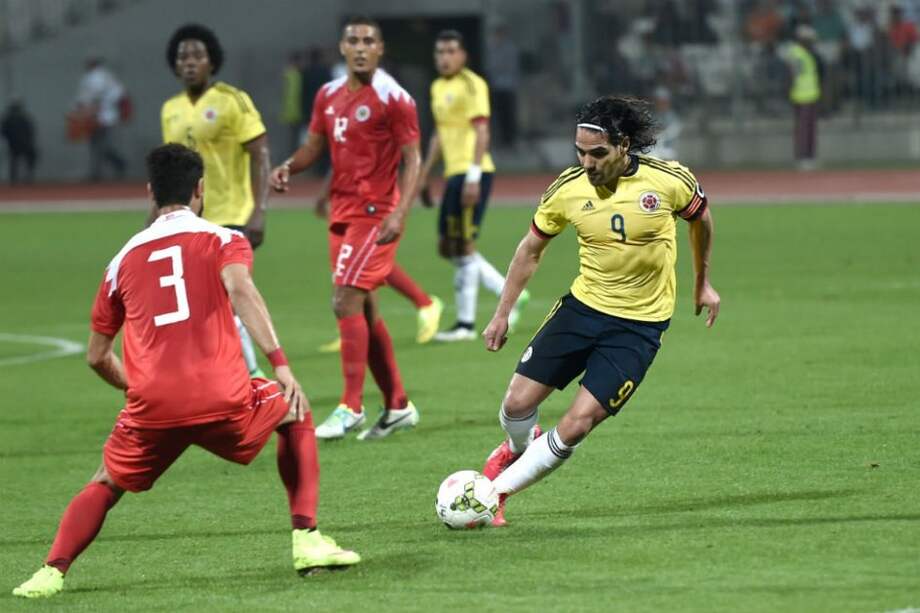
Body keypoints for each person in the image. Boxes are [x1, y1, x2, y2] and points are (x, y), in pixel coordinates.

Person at [11, 144, 359, 599]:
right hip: (224, 396)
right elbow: (240, 288)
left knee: (105, 482)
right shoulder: (223, 239)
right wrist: (281, 365)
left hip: (153, 405)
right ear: (200, 190)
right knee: (295, 411)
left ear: (151, 193)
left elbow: (96, 355)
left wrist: (136, 388)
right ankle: (308, 539)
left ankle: (50, 572)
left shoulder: (120, 262)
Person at [479, 96, 720, 526]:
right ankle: (517, 448)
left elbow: (701, 220)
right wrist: (502, 313)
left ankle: (493, 493)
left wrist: (702, 282)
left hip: (639, 327)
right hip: (582, 309)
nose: (587, 163)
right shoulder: (567, 188)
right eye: (579, 152)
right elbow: (531, 249)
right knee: (516, 406)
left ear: (624, 145)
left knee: (576, 424)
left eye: (597, 153)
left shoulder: (668, 180)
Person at [270, 16, 423, 441]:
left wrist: (401, 212)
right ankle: (397, 405)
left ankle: (349, 406)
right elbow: (315, 146)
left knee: (344, 301)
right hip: (342, 212)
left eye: (368, 41)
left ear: (379, 48)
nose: (360, 47)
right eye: (353, 40)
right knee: (364, 308)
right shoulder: (328, 94)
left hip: (376, 213)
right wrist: (289, 167)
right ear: (342, 47)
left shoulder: (394, 97)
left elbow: (413, 157)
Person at [160, 23, 270, 377]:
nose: (190, 62)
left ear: (212, 62)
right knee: (201, 306)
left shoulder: (231, 100)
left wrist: (258, 211)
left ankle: (255, 380)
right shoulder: (170, 109)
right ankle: (228, 381)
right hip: (188, 221)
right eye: (183, 57)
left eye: (197, 55)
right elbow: (170, 170)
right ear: (175, 66)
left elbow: (260, 153)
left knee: (231, 301)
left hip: (231, 217)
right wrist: (154, 217)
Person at [418, 30, 527, 342]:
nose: (444, 57)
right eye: (440, 52)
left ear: (463, 55)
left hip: (472, 172)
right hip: (453, 173)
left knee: (464, 246)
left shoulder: (472, 83)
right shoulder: (438, 87)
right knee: (447, 246)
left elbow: (482, 132)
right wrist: (425, 174)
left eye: (451, 51)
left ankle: (465, 324)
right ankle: (512, 294)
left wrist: (475, 176)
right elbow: (438, 135)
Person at [74, 55, 126, 181]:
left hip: (98, 117)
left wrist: (88, 110)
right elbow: (119, 93)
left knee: (100, 146)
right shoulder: (107, 76)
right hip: (104, 116)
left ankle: (116, 165)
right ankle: (96, 172)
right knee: (97, 146)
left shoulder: (96, 76)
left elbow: (92, 98)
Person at [785, 25, 822, 171]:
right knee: (804, 129)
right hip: (801, 95)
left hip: (810, 94)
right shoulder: (796, 53)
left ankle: (810, 156)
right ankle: (803, 158)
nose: (811, 43)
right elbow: (792, 75)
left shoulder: (805, 53)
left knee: (810, 129)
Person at [485, 25, 521, 148]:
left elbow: (511, 66)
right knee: (499, 115)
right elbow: (491, 67)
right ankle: (501, 140)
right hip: (497, 86)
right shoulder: (492, 49)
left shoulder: (510, 49)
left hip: (508, 85)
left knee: (509, 114)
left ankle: (510, 140)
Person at [1, 99, 38, 184]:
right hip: (22, 143)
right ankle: (25, 178)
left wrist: (10, 139)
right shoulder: (22, 118)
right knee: (21, 160)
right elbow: (31, 130)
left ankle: (17, 179)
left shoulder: (9, 118)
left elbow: (3, 132)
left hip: (16, 143)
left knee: (15, 161)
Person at [280, 50, 304, 154]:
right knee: (296, 138)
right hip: (296, 111)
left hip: (291, 111)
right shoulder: (297, 75)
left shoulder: (288, 75)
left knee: (294, 138)